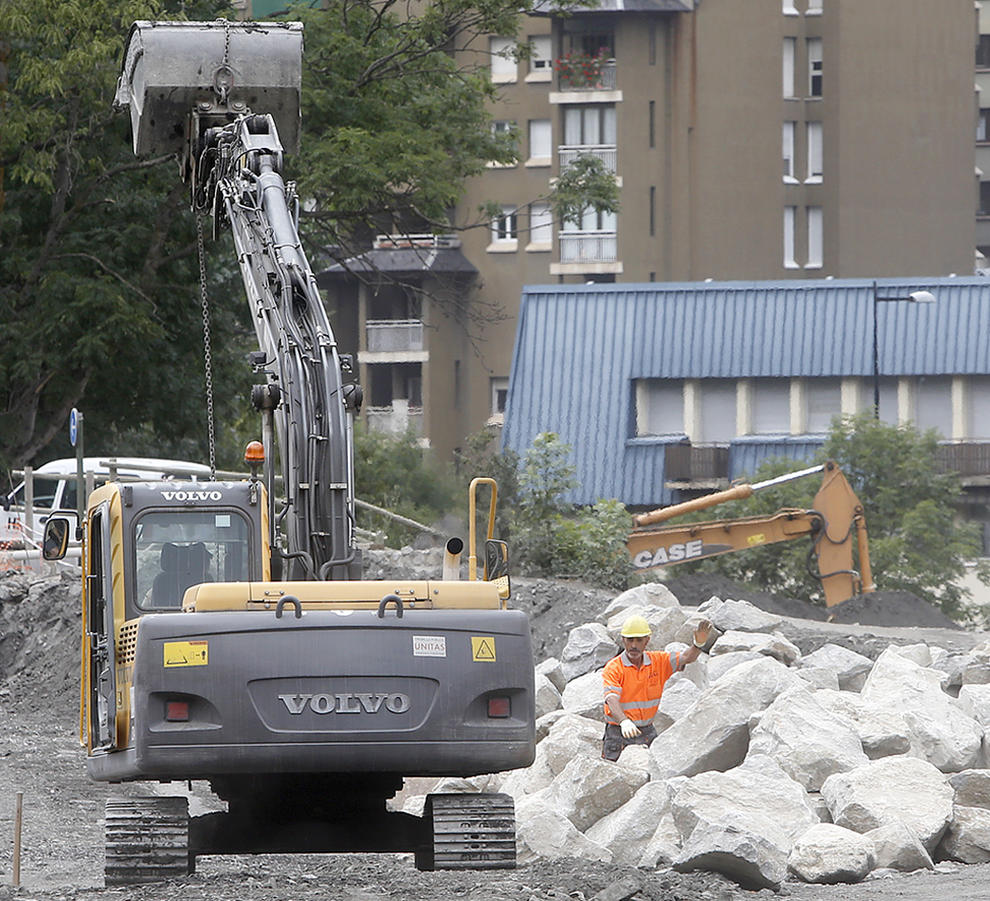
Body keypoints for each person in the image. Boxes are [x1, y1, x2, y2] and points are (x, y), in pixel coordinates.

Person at [601, 613, 713, 761]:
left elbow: (686, 658)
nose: (634, 645)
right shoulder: (614, 668)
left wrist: (698, 644)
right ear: (623, 640)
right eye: (630, 640)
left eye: (639, 640)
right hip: (618, 733)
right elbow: (611, 698)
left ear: (647, 641)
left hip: (647, 732)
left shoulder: (658, 661)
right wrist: (623, 721)